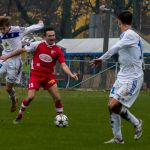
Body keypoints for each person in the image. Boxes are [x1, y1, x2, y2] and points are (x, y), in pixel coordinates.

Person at [0, 27, 78, 124]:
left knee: (57, 98)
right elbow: (21, 50)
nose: (52, 37)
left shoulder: (58, 50)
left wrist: (71, 74)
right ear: (44, 37)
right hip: (35, 75)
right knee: (31, 97)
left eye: (53, 35)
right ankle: (20, 114)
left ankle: (60, 118)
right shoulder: (37, 45)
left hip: (48, 77)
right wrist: (7, 56)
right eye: (49, 36)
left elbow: (63, 64)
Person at [90, 11, 144, 144]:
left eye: (118, 21)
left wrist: (101, 59)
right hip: (122, 76)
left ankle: (137, 123)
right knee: (111, 106)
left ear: (119, 21)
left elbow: (117, 47)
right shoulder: (126, 35)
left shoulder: (130, 34)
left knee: (114, 104)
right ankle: (118, 138)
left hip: (133, 78)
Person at [0, 16, 44, 112]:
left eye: (3, 28)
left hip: (15, 62)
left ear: (8, 26)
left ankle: (13, 99)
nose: (2, 31)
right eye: (0, 29)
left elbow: (29, 29)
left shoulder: (17, 30)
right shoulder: (1, 32)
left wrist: (40, 25)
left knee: (8, 88)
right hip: (3, 58)